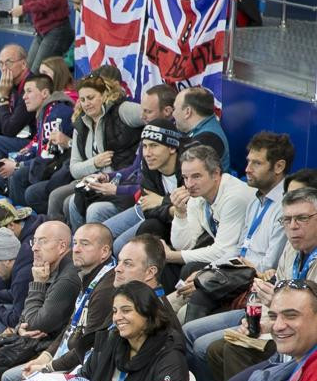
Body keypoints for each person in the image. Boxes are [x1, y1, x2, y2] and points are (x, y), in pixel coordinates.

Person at [201, 182, 317, 381]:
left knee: (232, 353)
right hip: (282, 327)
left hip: (307, 341)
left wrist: (277, 305)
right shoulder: (291, 251)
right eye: (286, 220)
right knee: (215, 350)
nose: (293, 226)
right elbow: (277, 294)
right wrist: (261, 324)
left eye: (302, 218)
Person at [12, 223, 115, 381]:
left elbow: (86, 346)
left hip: (80, 370)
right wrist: (46, 356)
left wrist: (48, 366)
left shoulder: (100, 288)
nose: (76, 249)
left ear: (105, 252)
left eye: (85, 244)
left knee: (7, 376)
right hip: (58, 352)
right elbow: (71, 326)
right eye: (76, 243)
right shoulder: (86, 275)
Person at [0, 220, 82, 380]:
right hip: (42, 341)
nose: (34, 247)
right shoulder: (47, 267)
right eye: (34, 241)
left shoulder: (68, 278)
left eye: (42, 241)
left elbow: (36, 324)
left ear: (62, 247)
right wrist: (20, 328)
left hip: (54, 348)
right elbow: (26, 318)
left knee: (5, 373)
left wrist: (38, 284)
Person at [57, 75, 144, 227]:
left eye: (90, 98)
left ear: (104, 95)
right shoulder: (81, 124)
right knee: (70, 202)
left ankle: (95, 247)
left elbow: (154, 116)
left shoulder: (122, 110)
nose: (86, 104)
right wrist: (95, 163)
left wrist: (146, 145)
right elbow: (75, 169)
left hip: (124, 181)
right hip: (97, 183)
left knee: (95, 210)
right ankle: (79, 245)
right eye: (82, 100)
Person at [163, 144, 253, 275]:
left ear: (216, 174)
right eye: (185, 177)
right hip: (227, 255)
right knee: (169, 267)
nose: (189, 184)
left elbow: (223, 251)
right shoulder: (197, 196)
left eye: (196, 176)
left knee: (189, 268)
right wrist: (180, 212)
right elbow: (183, 245)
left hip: (248, 260)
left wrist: (170, 256)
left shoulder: (234, 197)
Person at [100, 120, 185, 256]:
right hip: (159, 217)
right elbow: (148, 209)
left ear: (172, 148)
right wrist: (169, 207)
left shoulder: (188, 167)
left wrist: (162, 201)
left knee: (119, 246)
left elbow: (191, 208)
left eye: (154, 146)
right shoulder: (148, 165)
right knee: (101, 234)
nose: (147, 153)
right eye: (144, 146)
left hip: (181, 228)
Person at [0, 74, 75, 210]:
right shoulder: (47, 111)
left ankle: (24, 222)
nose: (24, 97)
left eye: (29, 91)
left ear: (44, 93)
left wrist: (17, 165)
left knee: (18, 177)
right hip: (53, 166)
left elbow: (49, 157)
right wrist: (18, 159)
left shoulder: (56, 114)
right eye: (24, 92)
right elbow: (37, 147)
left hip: (62, 170)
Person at [0, 201, 44, 336]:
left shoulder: (27, 256)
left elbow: (16, 318)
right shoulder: (16, 253)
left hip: (34, 319)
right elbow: (13, 288)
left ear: (11, 225)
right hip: (27, 301)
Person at [11, 0, 72, 72]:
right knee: (26, 72)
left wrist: (24, 8)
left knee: (35, 75)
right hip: (42, 30)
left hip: (56, 29)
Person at [172, 85, 229, 172]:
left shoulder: (208, 139)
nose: (173, 114)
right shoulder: (202, 127)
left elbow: (190, 174)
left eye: (175, 109)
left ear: (188, 112)